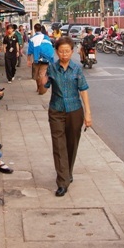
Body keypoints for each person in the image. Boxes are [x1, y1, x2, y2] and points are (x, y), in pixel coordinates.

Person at [41, 36, 92, 197]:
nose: (64, 54)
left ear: (71, 52)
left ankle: (68, 173)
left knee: (72, 143)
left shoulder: (77, 69)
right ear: (56, 52)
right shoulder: (52, 68)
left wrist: (88, 113)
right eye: (61, 51)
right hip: (56, 110)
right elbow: (44, 88)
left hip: (75, 111)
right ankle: (62, 182)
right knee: (58, 145)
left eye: (67, 51)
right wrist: (42, 78)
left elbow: (83, 90)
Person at [27, 23, 54, 94]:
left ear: (35, 29)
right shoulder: (46, 37)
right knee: (42, 74)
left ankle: (38, 88)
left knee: (36, 75)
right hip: (46, 59)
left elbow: (29, 50)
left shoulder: (32, 38)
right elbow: (50, 48)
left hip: (36, 59)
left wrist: (28, 60)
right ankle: (42, 88)